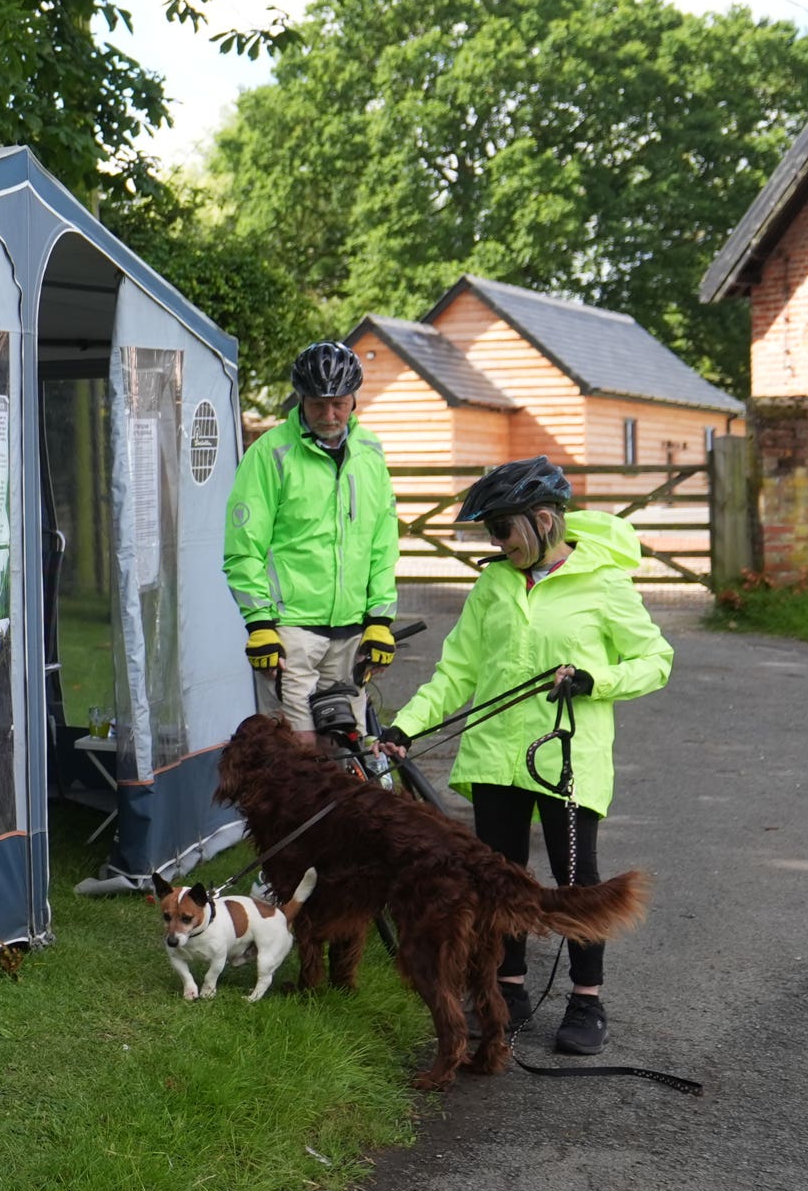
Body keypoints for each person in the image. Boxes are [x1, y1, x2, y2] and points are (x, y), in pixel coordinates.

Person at [379, 457, 671, 1056]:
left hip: (565, 758)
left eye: (501, 529)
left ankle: (586, 1000)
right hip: (495, 760)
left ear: (542, 520)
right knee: (497, 882)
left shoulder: (604, 582)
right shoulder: (493, 585)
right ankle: (505, 991)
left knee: (575, 881)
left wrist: (595, 678)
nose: (494, 543)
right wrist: (405, 726)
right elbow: (457, 671)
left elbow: (655, 661)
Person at [223, 340, 400, 731]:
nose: (329, 413)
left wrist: (380, 618)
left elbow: (383, 543)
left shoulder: (370, 452)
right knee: (297, 757)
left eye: (339, 402)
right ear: (300, 400)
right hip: (290, 636)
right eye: (318, 403)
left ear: (354, 399)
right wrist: (260, 625)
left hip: (352, 634)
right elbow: (244, 548)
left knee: (348, 750)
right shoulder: (271, 453)